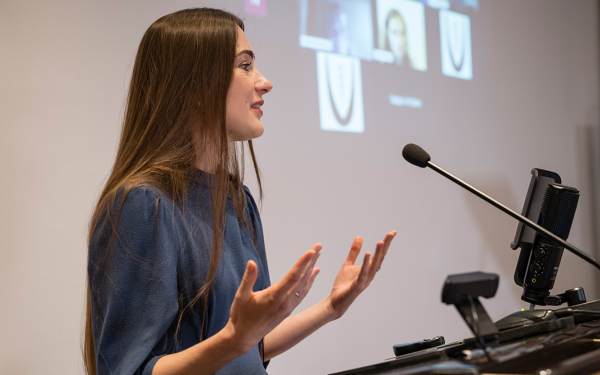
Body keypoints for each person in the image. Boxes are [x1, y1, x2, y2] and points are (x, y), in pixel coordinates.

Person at [84, 8, 396, 375]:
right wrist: (233, 339)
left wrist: (329, 308)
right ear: (194, 83)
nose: (264, 82)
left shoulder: (237, 200)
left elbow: (247, 350)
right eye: (245, 66)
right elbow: (128, 371)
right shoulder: (144, 204)